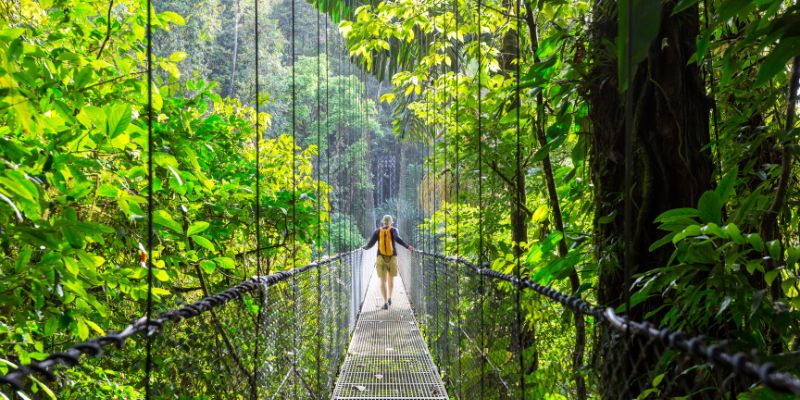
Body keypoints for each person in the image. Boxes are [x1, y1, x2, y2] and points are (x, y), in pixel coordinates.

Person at [363, 215, 414, 309]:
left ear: (383, 222)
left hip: (381, 257)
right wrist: (407, 246)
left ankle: (385, 302)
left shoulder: (377, 231)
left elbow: (370, 244)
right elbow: (397, 239)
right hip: (392, 257)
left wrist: (363, 248)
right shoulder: (394, 230)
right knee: (391, 280)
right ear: (391, 222)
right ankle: (390, 297)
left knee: (382, 281)